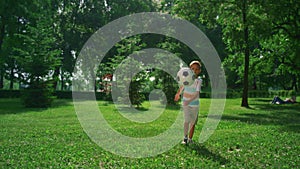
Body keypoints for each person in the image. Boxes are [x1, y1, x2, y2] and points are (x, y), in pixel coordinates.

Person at [174, 61, 202, 145]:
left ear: (199, 71)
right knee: (186, 120)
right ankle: (185, 138)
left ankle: (190, 139)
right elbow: (182, 86)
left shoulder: (198, 81)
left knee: (192, 123)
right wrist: (178, 94)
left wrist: (189, 100)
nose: (194, 70)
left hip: (195, 104)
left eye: (197, 69)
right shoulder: (186, 78)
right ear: (189, 70)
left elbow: (197, 93)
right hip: (186, 104)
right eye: (192, 68)